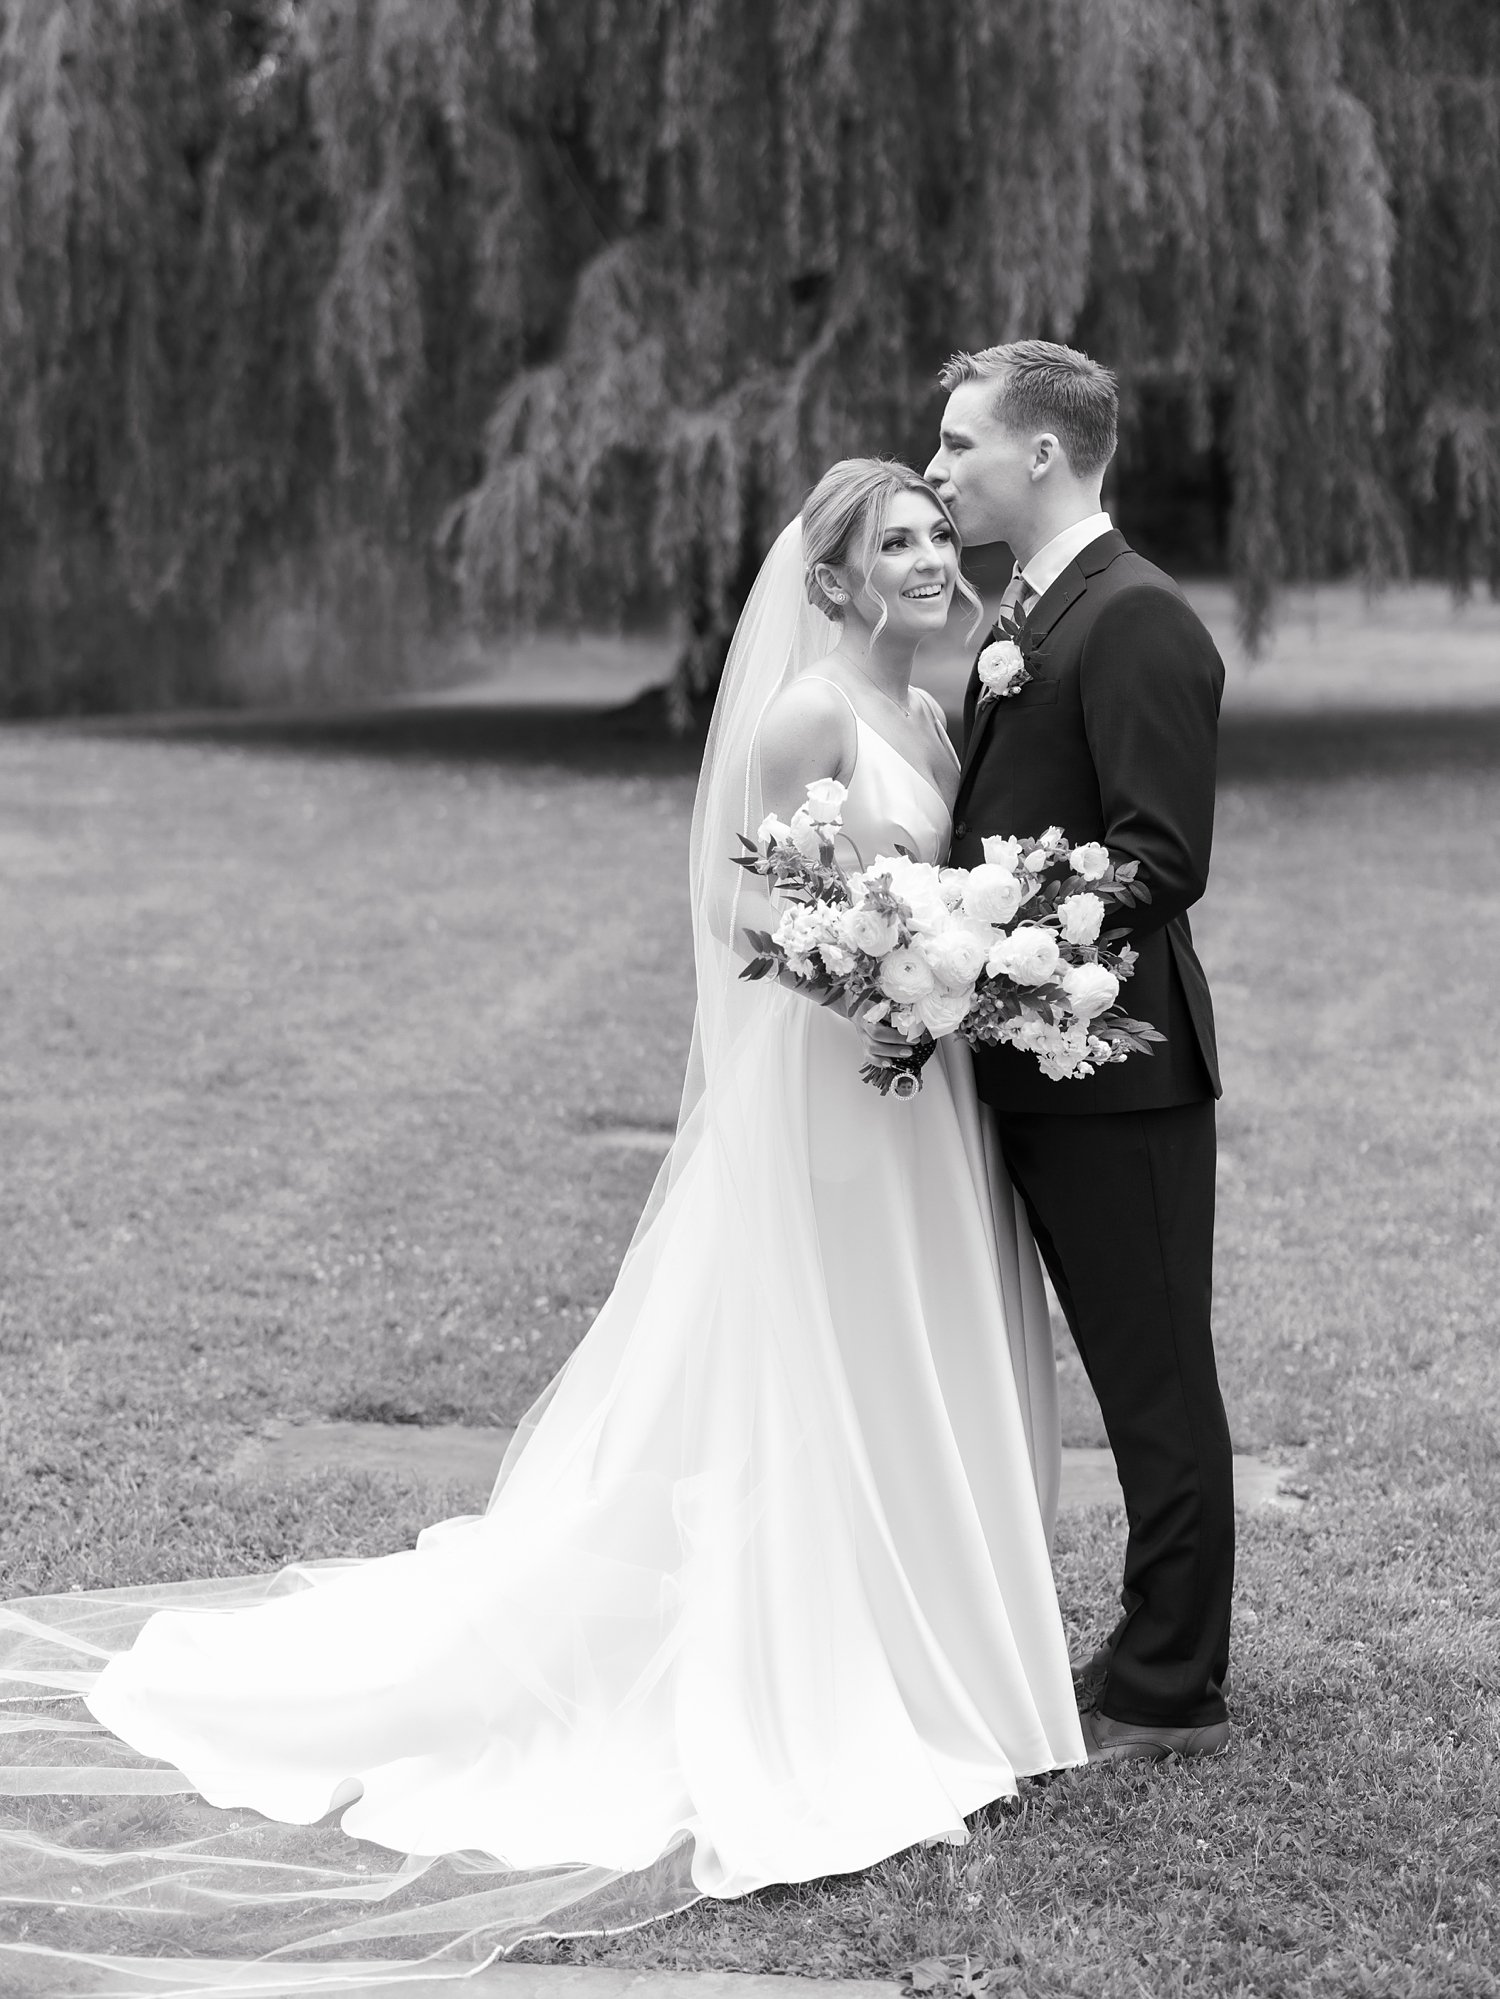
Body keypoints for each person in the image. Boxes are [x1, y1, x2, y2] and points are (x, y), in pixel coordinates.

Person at [0, 459, 1084, 1992]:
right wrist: (875, 953)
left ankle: (926, 1641)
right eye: (887, 545)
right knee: (822, 1371)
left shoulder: (928, 710)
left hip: (917, 1092)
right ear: (829, 583)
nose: (922, 558)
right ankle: (821, 1669)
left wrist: (947, 951)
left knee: (902, 1357)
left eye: (928, 535)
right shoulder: (809, 718)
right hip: (839, 1100)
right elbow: (744, 914)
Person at [914, 338, 1235, 1762]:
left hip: (1117, 1074)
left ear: (1041, 454)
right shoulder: (1030, 615)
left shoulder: (1138, 620)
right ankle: (1125, 1646)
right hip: (1022, 1061)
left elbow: (1161, 857)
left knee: (1153, 1376)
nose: (938, 470)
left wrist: (988, 929)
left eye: (961, 445)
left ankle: (1169, 1682)